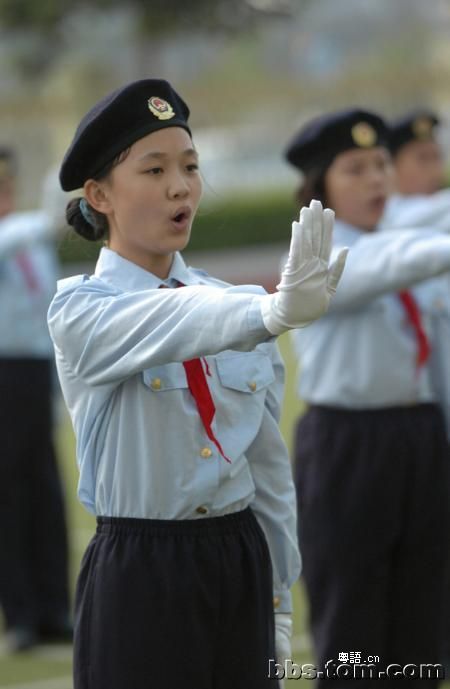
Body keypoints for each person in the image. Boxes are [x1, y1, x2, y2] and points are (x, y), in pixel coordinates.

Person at [46, 78, 347, 689]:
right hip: (140, 567)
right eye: (153, 171)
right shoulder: (79, 310)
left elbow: (266, 467)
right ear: (100, 195)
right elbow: (167, 318)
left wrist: (278, 599)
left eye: (190, 166)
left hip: (238, 556)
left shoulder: (230, 303)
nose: (181, 186)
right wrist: (267, 312)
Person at [284, 108, 450, 688]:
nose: (376, 179)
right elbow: (379, 268)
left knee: (423, 621)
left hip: (420, 435)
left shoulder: (407, 242)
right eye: (355, 169)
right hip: (348, 446)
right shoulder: (316, 258)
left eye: (381, 164)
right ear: (319, 187)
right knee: (354, 623)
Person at [0, 149, 72, 652]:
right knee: (8, 497)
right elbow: (41, 227)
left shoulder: (27, 235)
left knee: (45, 490)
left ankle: (54, 609)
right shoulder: (22, 233)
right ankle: (21, 614)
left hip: (36, 369)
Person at [382, 109, 450, 230]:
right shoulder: (386, 215)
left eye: (437, 157)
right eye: (423, 158)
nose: (434, 169)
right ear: (393, 166)